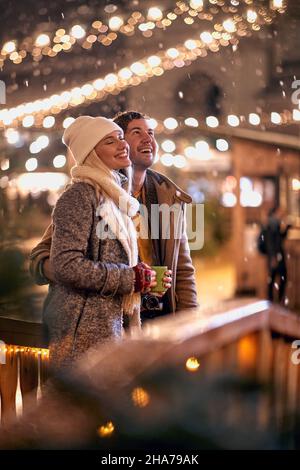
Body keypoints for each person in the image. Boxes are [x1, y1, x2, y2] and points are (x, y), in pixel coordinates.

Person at [30, 111, 197, 322]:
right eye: (137, 132)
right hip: (107, 322)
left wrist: (190, 322)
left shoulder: (167, 196)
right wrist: (121, 281)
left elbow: (183, 269)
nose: (148, 139)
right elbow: (44, 259)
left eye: (151, 133)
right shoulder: (90, 194)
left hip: (158, 319)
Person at [42, 116, 157, 369]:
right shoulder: (79, 197)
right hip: (80, 334)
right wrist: (129, 278)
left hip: (108, 328)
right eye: (109, 141)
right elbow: (67, 265)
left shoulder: (115, 198)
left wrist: (142, 279)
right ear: (91, 153)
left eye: (120, 137)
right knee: (83, 408)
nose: (122, 144)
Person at [263, 206, 292, 303]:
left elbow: (279, 239)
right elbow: (270, 242)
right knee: (278, 278)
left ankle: (273, 301)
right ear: (275, 212)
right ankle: (276, 301)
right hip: (276, 256)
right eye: (280, 211)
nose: (282, 213)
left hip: (276, 255)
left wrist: (287, 229)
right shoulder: (272, 224)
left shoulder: (274, 223)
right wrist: (273, 257)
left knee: (273, 278)